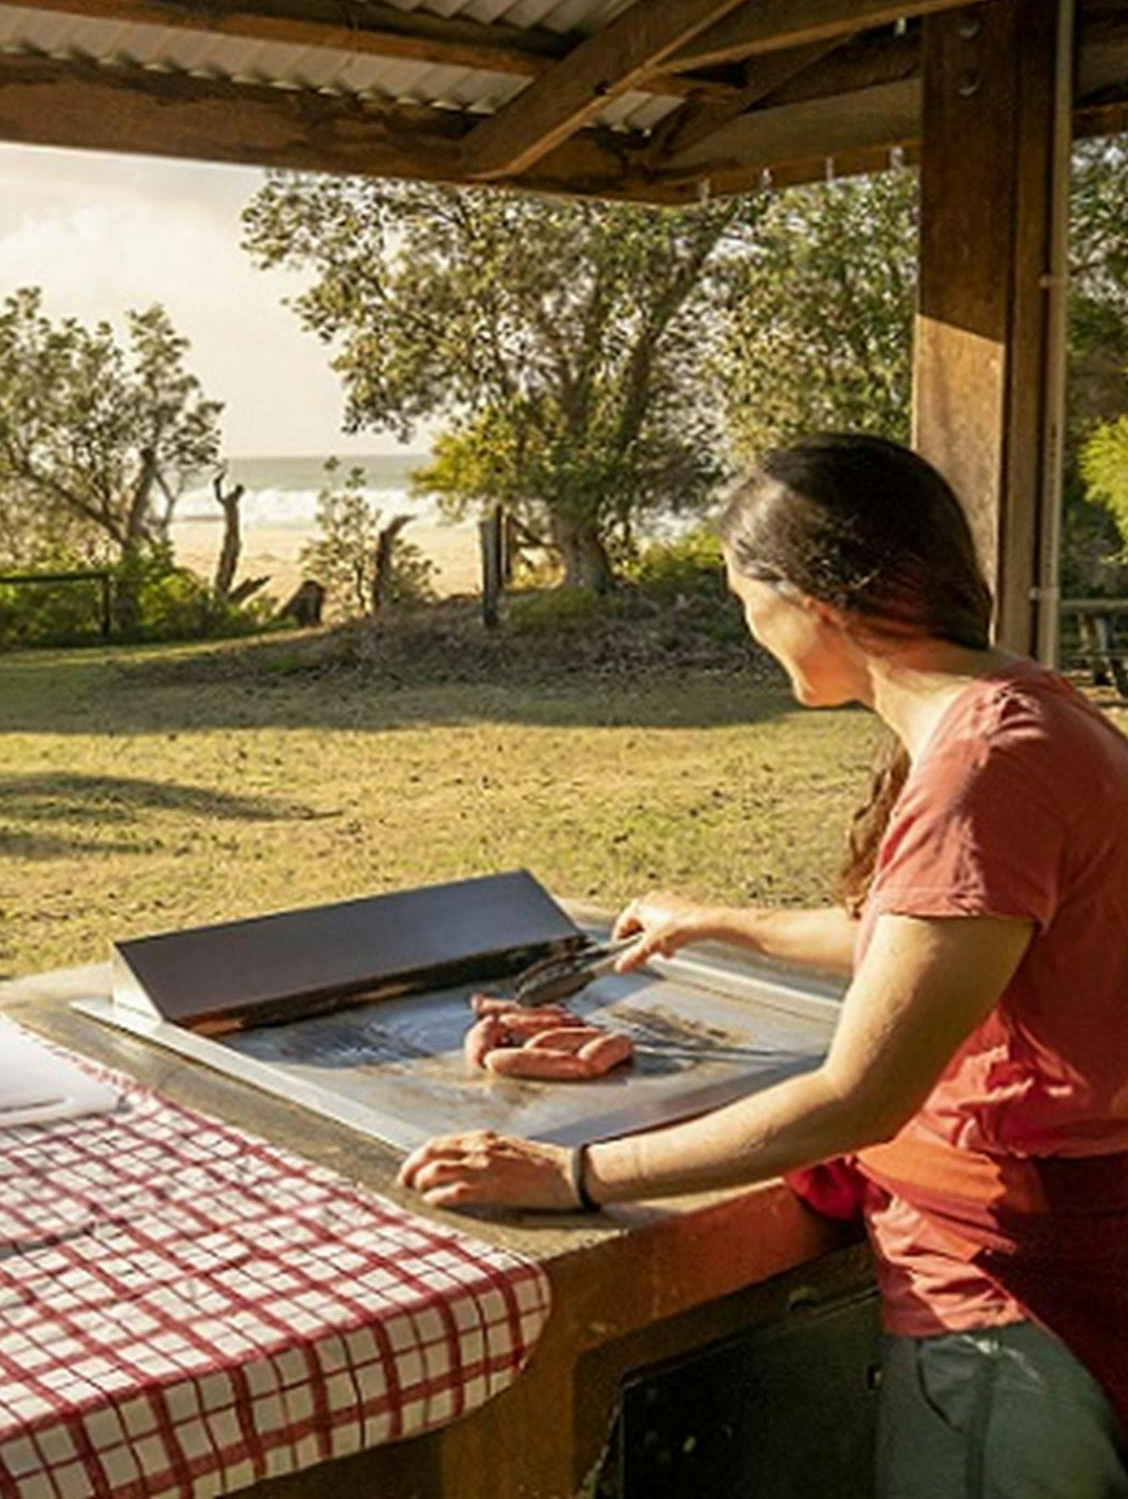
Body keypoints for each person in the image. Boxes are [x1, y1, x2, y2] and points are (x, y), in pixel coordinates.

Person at [399, 434, 1128, 1498]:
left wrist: (570, 1175)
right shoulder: (1025, 708)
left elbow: (856, 1099)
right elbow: (938, 938)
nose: (748, 627)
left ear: (812, 601)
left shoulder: (980, 771)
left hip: (1005, 1305)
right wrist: (720, 921)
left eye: (745, 594)